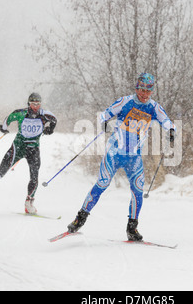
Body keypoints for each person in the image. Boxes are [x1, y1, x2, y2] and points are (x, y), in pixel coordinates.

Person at [67, 73, 176, 241]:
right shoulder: (126, 101)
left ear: (152, 92)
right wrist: (104, 121)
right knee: (102, 184)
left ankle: (132, 228)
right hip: (115, 152)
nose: (144, 94)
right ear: (136, 88)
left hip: (134, 156)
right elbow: (105, 113)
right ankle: (79, 219)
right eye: (141, 90)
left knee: (138, 191)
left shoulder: (154, 107)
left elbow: (166, 120)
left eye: (148, 91)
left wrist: (171, 130)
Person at [0, 93, 57, 214]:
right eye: (33, 104)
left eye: (38, 104)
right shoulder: (21, 113)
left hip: (33, 149)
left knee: (34, 177)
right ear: (29, 103)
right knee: (0, 172)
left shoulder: (44, 115)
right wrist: (4, 128)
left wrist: (50, 128)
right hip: (18, 147)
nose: (36, 106)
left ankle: (29, 203)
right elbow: (8, 118)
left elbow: (54, 119)